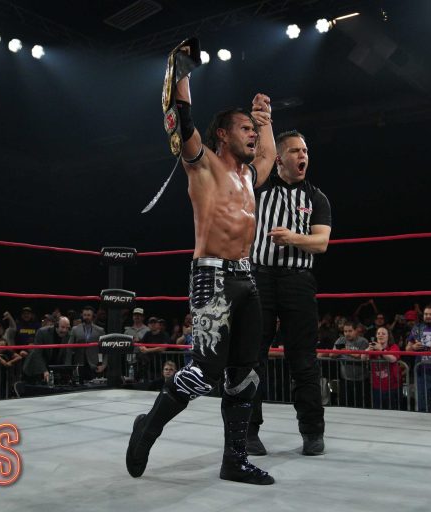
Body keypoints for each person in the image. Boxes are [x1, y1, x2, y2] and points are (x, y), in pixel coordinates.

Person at [127, 44, 277, 485]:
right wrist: (182, 72)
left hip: (246, 277)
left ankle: (234, 460)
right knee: (204, 372)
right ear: (223, 135)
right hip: (211, 276)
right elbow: (183, 120)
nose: (252, 136)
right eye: (246, 129)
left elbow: (269, 157)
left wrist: (265, 119)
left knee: (245, 373)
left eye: (254, 130)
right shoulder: (203, 165)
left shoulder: (249, 176)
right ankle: (148, 428)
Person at [246, 129, 331, 456]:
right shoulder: (258, 189)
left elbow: (321, 242)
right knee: (251, 357)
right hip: (260, 278)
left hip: (298, 281)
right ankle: (248, 432)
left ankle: (312, 432)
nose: (303, 156)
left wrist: (293, 238)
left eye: (305, 151)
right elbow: (255, 159)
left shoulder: (316, 197)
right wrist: (262, 122)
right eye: (295, 151)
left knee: (304, 358)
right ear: (279, 158)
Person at [331, 320, 370, 408]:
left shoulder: (363, 341)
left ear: (356, 330)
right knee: (344, 405)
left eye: (350, 331)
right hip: (345, 379)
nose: (347, 334)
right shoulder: (341, 340)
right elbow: (332, 354)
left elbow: (361, 356)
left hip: (361, 380)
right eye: (345, 331)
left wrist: (346, 351)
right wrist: (340, 351)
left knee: (361, 406)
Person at [67, 306, 107, 382]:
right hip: (79, 364)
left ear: (93, 316)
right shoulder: (75, 329)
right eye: (85, 315)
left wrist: (104, 365)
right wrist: (68, 366)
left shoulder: (100, 330)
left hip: (94, 365)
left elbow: (105, 349)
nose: (86, 317)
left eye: (88, 315)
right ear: (82, 315)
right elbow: (69, 348)